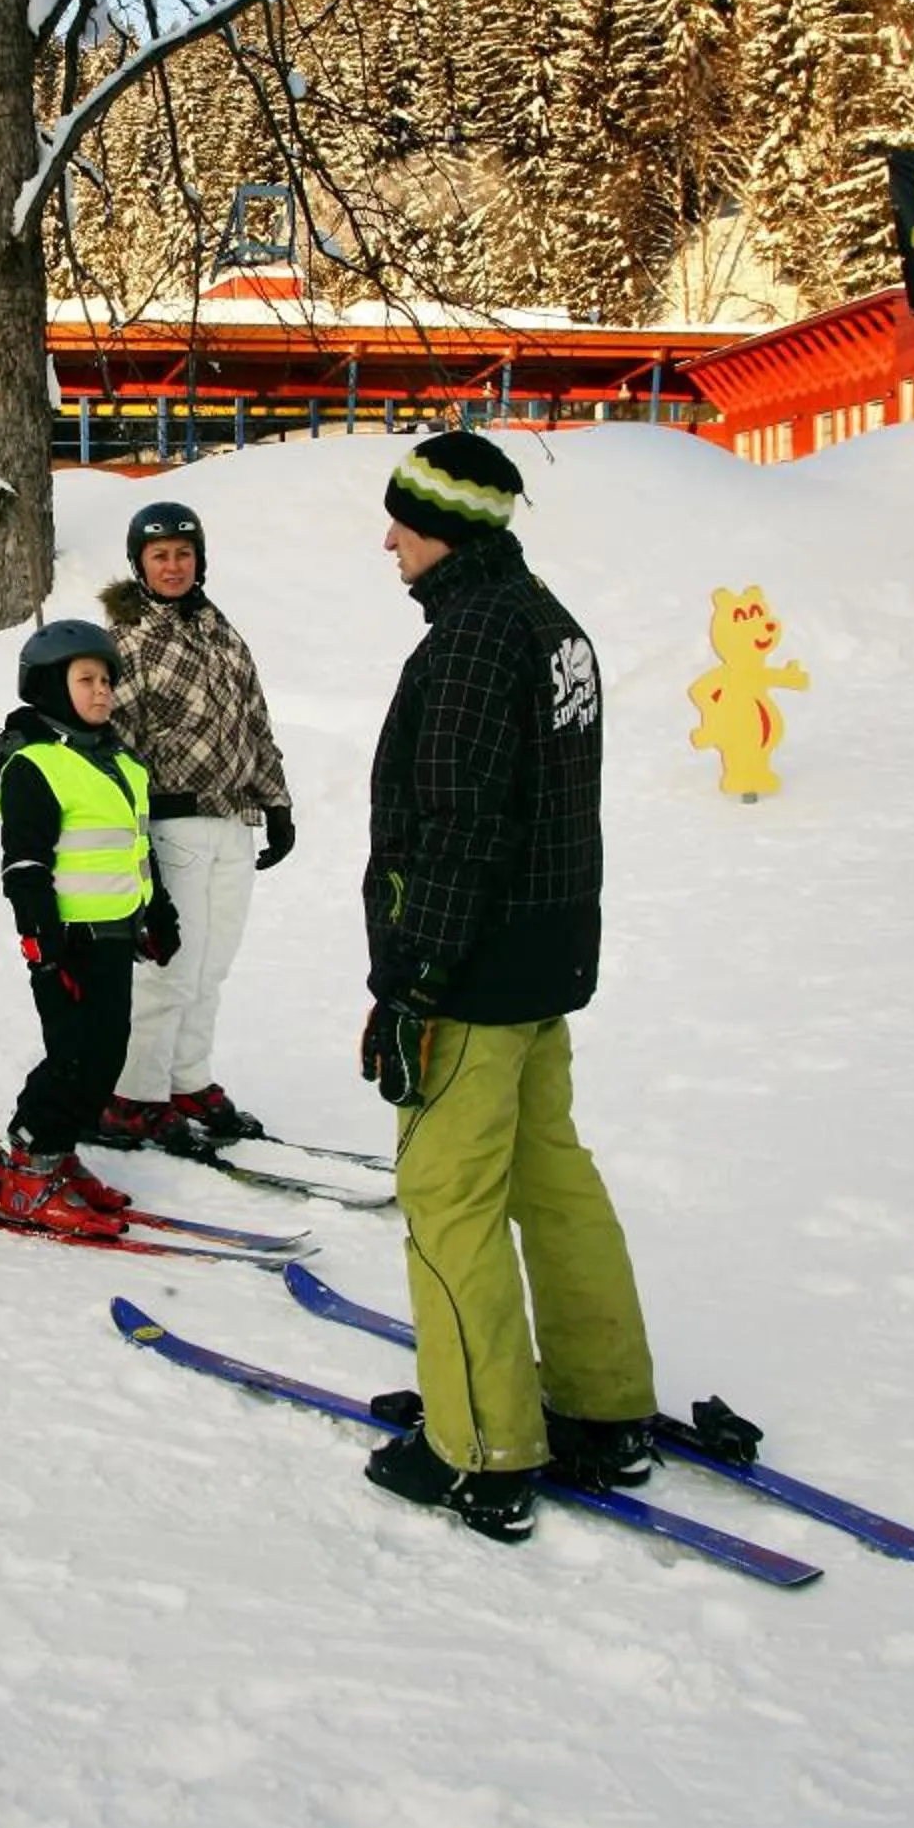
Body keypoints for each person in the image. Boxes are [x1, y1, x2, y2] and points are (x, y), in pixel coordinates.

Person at [359, 427, 656, 1545]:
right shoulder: (547, 623)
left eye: (403, 522)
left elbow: (455, 835)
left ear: (448, 531)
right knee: (550, 1179)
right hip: (543, 959)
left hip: (474, 976)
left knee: (447, 1198)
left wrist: (409, 987)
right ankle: (599, 1399)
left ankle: (478, 1444)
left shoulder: (473, 643)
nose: (388, 543)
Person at [0, 619, 180, 1237]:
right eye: (86, 679)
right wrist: (43, 949)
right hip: (68, 940)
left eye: (107, 679)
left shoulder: (121, 764)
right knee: (76, 1056)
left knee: (105, 1052)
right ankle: (31, 1167)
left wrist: (158, 910)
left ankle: (51, 1155)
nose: (102, 690)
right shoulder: (35, 765)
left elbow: (141, 848)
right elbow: (26, 866)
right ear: (51, 688)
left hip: (116, 934)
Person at [95, 497, 294, 1157]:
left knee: (212, 967)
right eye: (160, 556)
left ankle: (187, 1081)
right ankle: (133, 1096)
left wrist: (277, 803)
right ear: (139, 564)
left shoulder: (219, 628)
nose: (173, 566)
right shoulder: (127, 643)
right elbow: (115, 746)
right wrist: (131, 835)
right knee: (169, 968)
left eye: (183, 553)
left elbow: (254, 719)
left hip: (233, 820)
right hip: (173, 823)